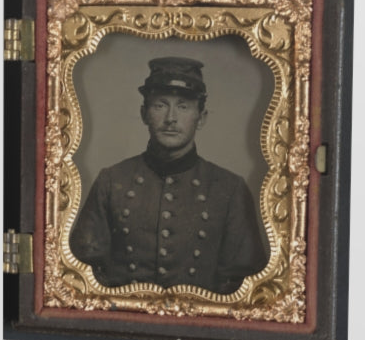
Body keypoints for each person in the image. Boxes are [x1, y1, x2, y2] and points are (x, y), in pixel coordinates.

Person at [69, 56, 268, 295]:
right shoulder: (112, 181)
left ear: (201, 117)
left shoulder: (229, 189)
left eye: (183, 106)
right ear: (144, 114)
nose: (171, 118)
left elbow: (242, 284)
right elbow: (83, 271)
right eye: (160, 105)